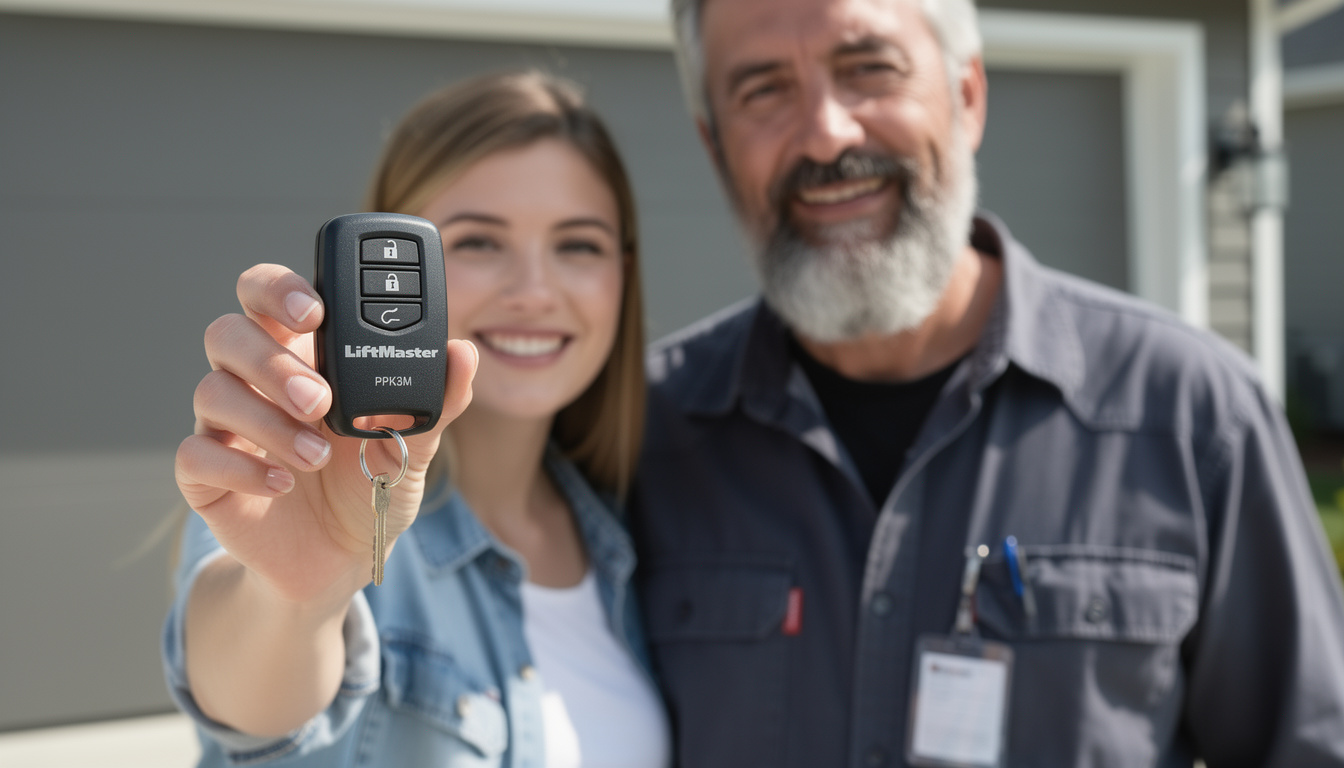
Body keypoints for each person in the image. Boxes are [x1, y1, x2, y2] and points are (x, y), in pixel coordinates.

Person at [628, 0, 1344, 766]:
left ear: (966, 97)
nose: (827, 133)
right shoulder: (644, 437)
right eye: (763, 90)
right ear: (714, 145)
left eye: (869, 69)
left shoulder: (1192, 415)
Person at [164, 70, 670, 767]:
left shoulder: (636, 529)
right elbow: (247, 705)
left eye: (578, 244)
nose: (535, 291)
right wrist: (296, 602)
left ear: (624, 271)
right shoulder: (297, 485)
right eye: (478, 241)